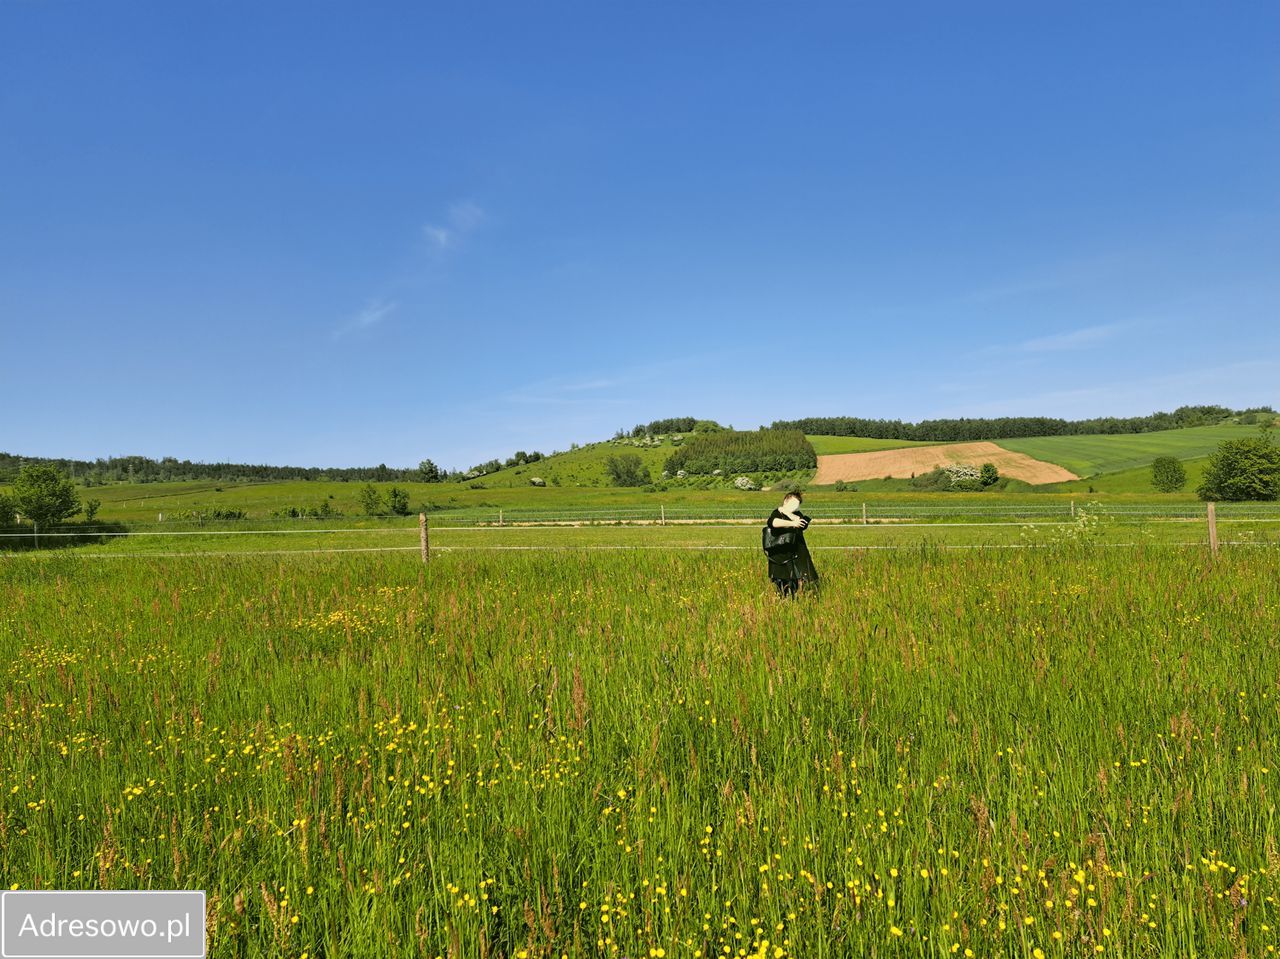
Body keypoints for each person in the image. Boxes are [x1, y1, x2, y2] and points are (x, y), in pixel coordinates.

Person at [765, 490, 819, 597]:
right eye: (792, 503)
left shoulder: (798, 515)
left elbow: (802, 524)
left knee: (797, 582)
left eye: (797, 505)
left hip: (796, 554)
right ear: (785, 501)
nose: (795, 507)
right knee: (782, 584)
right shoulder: (776, 513)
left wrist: (787, 513)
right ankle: (784, 602)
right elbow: (772, 522)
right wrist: (791, 523)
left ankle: (795, 601)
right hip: (780, 554)